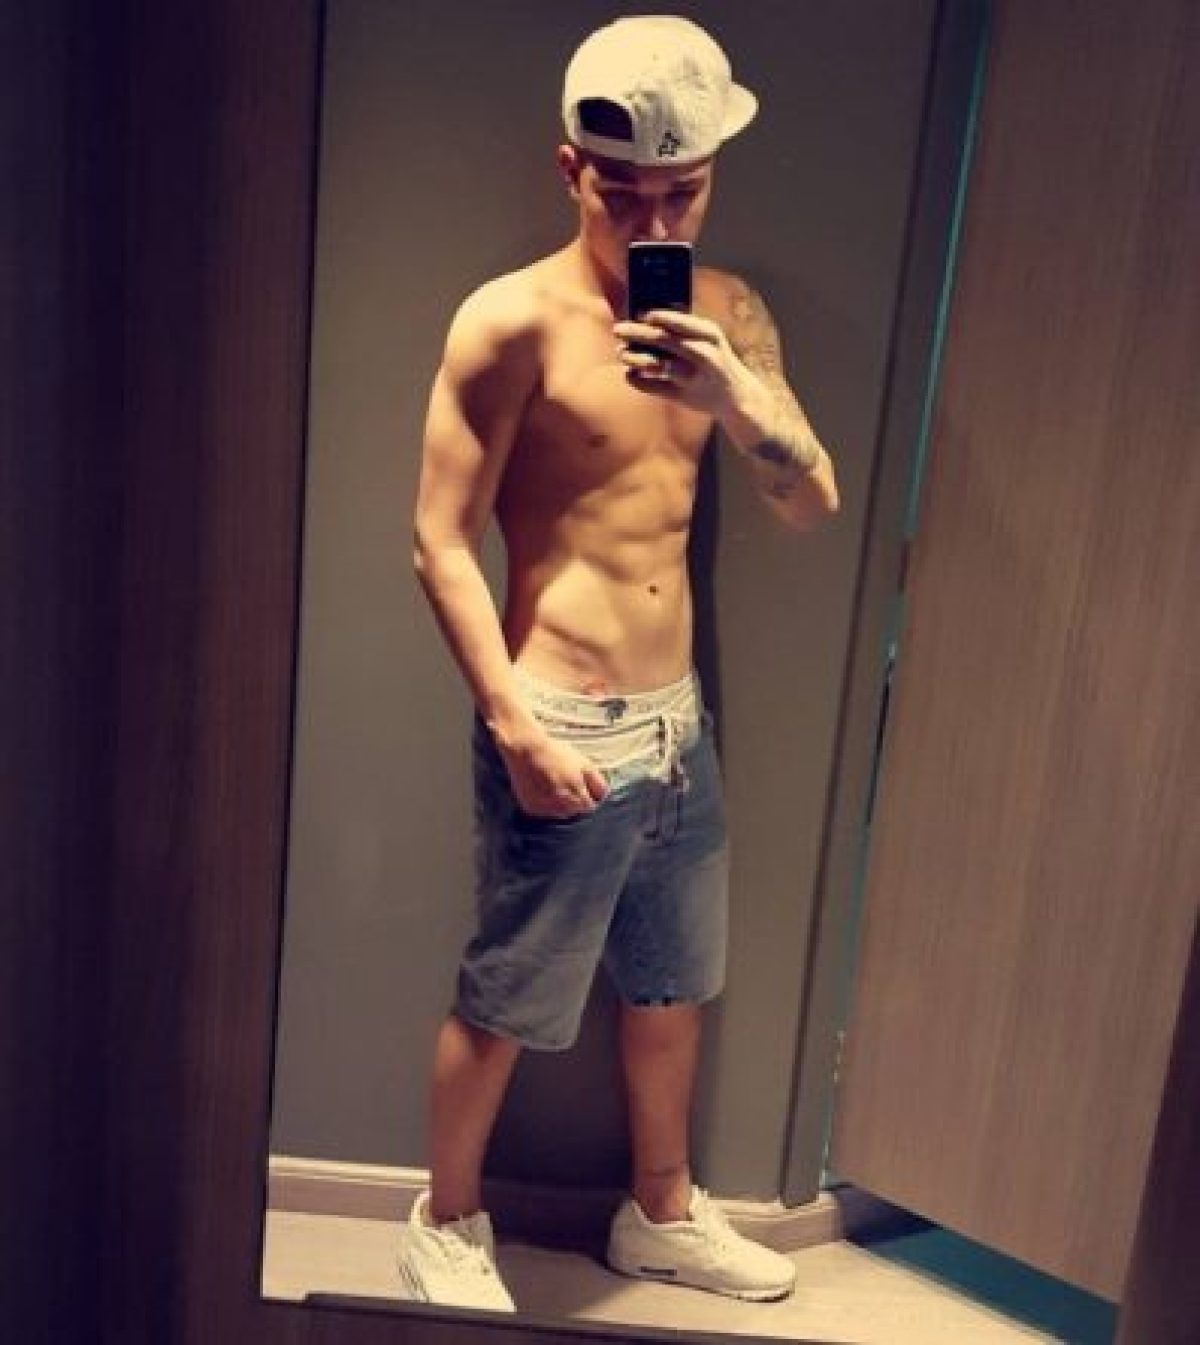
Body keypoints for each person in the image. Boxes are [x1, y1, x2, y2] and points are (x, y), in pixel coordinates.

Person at [398, 14, 840, 1313]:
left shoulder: (729, 315)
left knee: (671, 992)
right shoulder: (512, 323)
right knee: (505, 1001)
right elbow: (437, 540)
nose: (655, 221)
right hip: (562, 719)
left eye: (682, 193)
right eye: (625, 192)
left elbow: (812, 503)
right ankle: (445, 1222)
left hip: (677, 728)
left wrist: (735, 401)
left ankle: (659, 1214)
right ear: (571, 171)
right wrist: (513, 727)